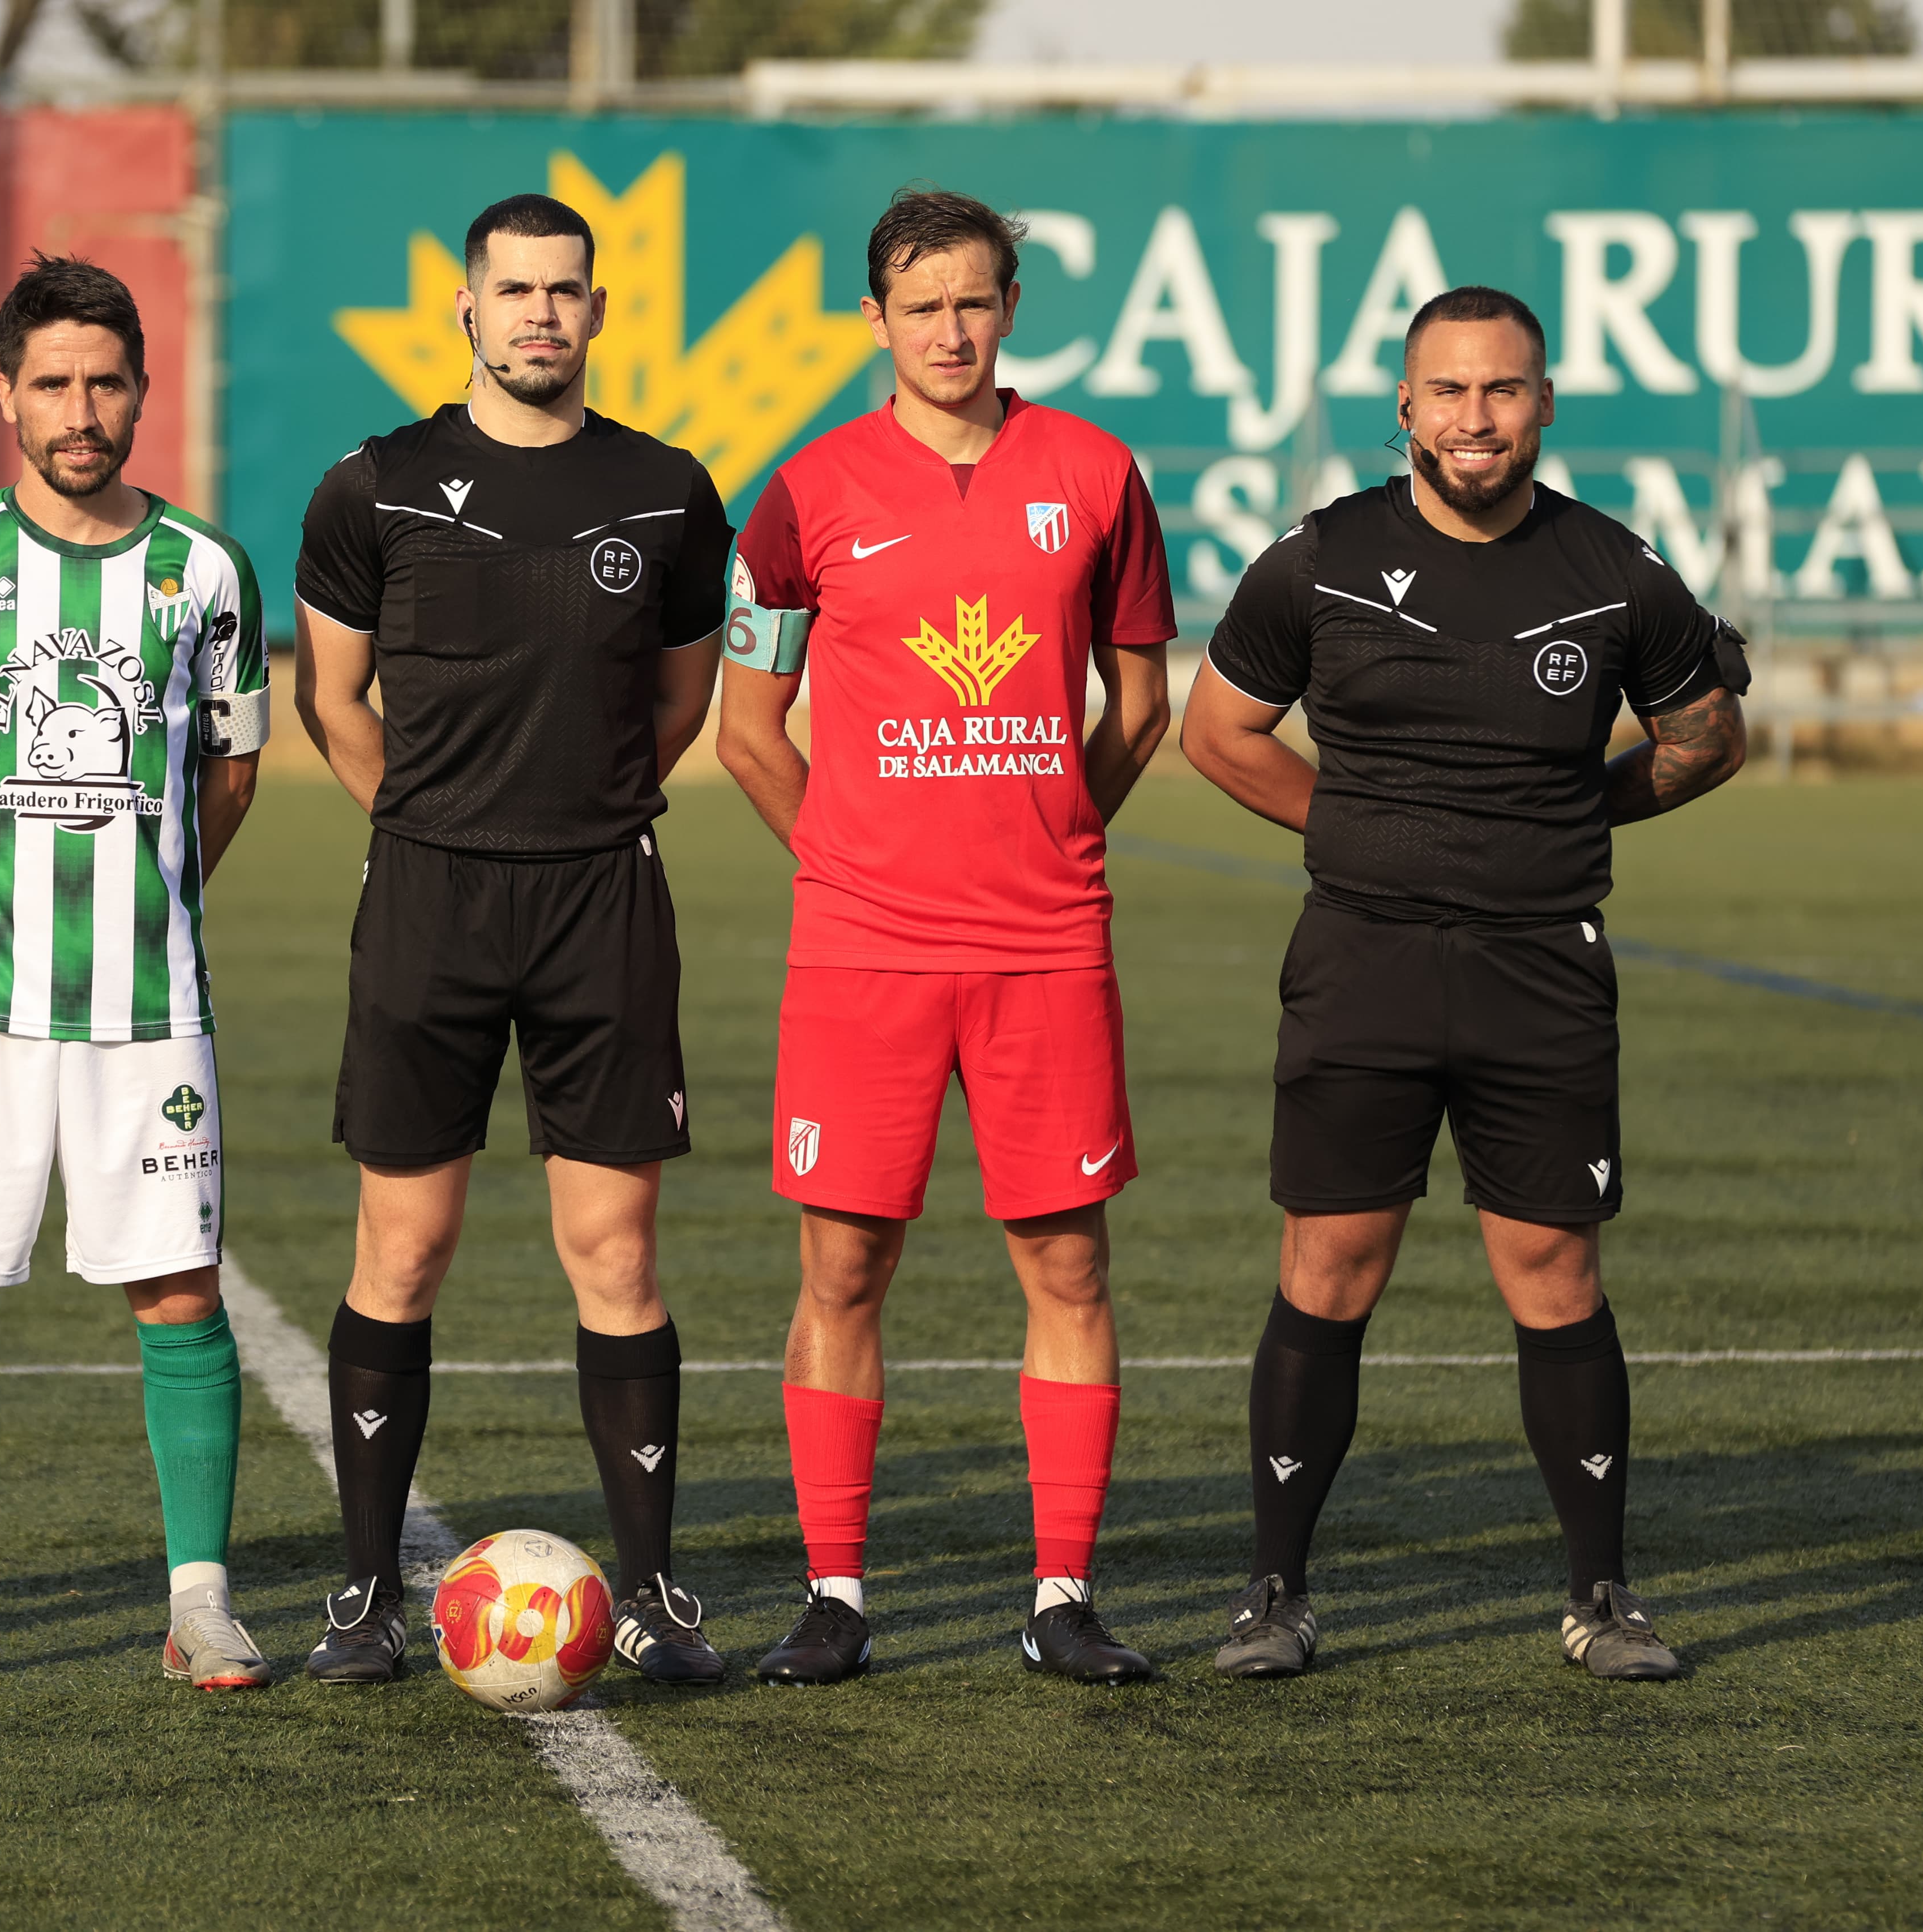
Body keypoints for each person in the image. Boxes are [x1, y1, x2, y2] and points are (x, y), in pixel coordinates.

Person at [1180, 285, 1748, 1683]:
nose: (1474, 417)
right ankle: (1276, 1590)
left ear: (1541, 404)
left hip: (1538, 965)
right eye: (1448, 391)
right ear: (1405, 408)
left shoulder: (1616, 570)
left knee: (1552, 1271)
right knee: (1327, 1267)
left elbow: (1704, 735)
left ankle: (1599, 1591)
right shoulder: (1314, 561)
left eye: (1501, 390)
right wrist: (1356, 834)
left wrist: (1573, 817)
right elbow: (1218, 731)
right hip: (1359, 958)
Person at [715, 189, 1177, 1687]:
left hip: (1047, 945)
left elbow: (1140, 706)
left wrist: (1056, 828)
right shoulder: (805, 491)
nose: (951, 332)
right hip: (864, 952)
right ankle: (837, 1590)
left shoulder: (1098, 475)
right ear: (878, 320)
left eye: (975, 303)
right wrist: (854, 862)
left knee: (1069, 1263)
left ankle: (1060, 1592)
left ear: (1011, 308)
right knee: (842, 1266)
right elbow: (746, 727)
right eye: (923, 308)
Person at [293, 192, 734, 1686]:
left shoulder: (669, 491)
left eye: (566, 289)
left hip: (601, 897)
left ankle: (661, 1588)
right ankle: (363, 1595)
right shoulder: (377, 486)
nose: (541, 312)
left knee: (614, 1250)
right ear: (467, 312)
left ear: (598, 311)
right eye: (515, 289)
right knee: (402, 1246)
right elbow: (333, 703)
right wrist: (426, 822)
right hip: (429, 896)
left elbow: (679, 705)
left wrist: (577, 812)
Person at [0, 255, 274, 1695]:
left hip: (149, 1010)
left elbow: (230, 773)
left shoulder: (205, 571)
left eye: (105, 382)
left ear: (141, 390)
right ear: (4, 396)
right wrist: (2, 887)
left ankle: (199, 1600)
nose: (81, 410)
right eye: (53, 384)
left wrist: (139, 887)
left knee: (178, 1290)